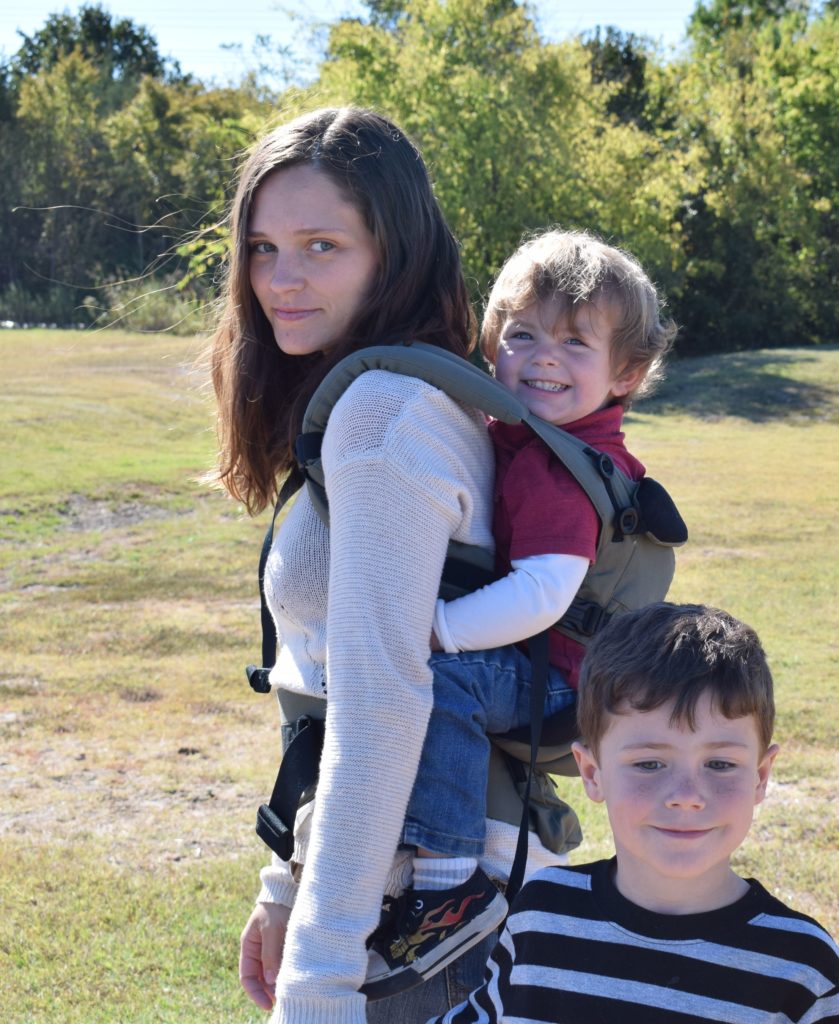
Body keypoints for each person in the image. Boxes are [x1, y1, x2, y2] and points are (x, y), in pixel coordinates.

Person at [208, 106, 562, 1024]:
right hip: (431, 879)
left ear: (392, 253)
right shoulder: (419, 388)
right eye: (261, 247)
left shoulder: (380, 417)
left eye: (321, 245)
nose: (281, 279)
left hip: (422, 914)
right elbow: (329, 678)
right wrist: (283, 882)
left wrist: (318, 986)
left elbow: (378, 707)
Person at [366, 229, 677, 993]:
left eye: (575, 343)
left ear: (626, 373)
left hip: (559, 681)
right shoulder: (532, 436)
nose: (542, 355)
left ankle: (444, 884)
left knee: (444, 682)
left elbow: (543, 592)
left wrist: (436, 630)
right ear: (489, 342)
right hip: (551, 666)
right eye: (522, 333)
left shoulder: (552, 469)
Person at [425, 602, 839, 1024]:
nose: (686, 796)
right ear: (592, 772)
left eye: (720, 764)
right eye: (649, 764)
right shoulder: (544, 915)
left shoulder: (804, 969)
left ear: (760, 775)